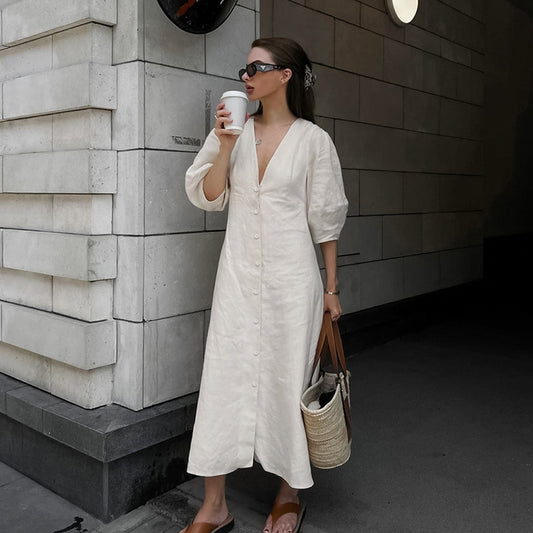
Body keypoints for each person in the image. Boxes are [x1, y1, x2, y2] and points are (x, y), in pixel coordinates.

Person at [182, 37, 348, 533]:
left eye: (257, 67)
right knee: (224, 378)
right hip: (236, 277)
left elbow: (326, 222)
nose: (246, 76)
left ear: (286, 75)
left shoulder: (314, 142)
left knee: (286, 379)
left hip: (293, 283)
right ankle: (214, 506)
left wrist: (332, 290)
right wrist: (226, 145)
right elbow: (208, 196)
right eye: (244, 67)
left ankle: (288, 493)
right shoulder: (230, 132)